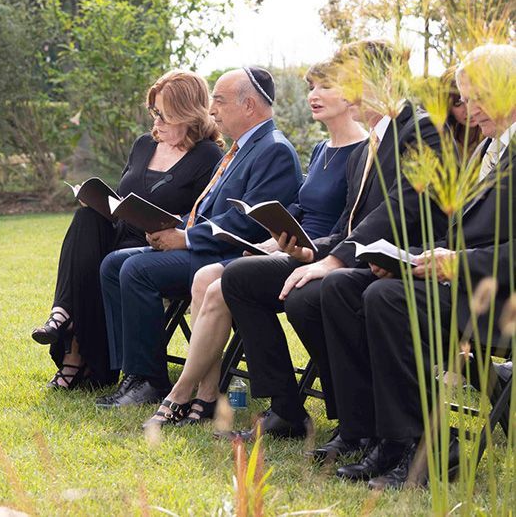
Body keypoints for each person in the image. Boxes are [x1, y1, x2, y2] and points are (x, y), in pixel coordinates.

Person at [220, 40, 446, 444]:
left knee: (312, 295)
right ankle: (287, 408)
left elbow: (402, 208)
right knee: (240, 277)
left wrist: (332, 261)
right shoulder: (366, 151)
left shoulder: (419, 129)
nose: (344, 92)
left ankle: (355, 420)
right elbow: (347, 224)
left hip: (399, 261)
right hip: (355, 257)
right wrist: (311, 250)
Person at [321, 43, 514, 489]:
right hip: (463, 280)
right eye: (465, 98)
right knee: (344, 287)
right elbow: (464, 232)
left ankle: (425, 447)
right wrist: (413, 259)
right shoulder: (488, 148)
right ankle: (378, 435)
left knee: (386, 298)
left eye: (476, 97)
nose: (468, 109)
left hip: (497, 296)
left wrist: (456, 261)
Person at [143, 59, 366, 428]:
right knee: (207, 280)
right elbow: (301, 207)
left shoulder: (363, 151)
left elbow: (349, 224)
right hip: (288, 247)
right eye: (310, 88)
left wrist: (302, 249)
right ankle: (211, 396)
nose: (313, 96)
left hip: (318, 254)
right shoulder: (321, 150)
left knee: (226, 284)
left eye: (324, 88)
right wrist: (271, 239)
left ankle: (181, 394)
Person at [97, 67, 303, 408]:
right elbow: (207, 211)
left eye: (219, 101)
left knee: (136, 269)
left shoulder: (274, 150)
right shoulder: (243, 148)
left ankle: (149, 380)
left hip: (229, 255)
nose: (212, 111)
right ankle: (131, 372)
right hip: (207, 246)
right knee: (112, 264)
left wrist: (186, 238)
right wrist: (171, 226)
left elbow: (249, 222)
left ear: (249, 106)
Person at [31, 70, 223, 389]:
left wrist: (173, 221)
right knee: (86, 220)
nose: (156, 122)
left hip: (157, 244)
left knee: (97, 262)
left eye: (164, 115)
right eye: (154, 112)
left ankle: (75, 355)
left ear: (188, 114)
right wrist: (97, 201)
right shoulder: (144, 145)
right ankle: (64, 316)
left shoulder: (207, 155)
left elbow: (201, 214)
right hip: (121, 231)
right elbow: (123, 197)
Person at [446, 72, 483, 159]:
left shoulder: (494, 137)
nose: (469, 110)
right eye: (458, 103)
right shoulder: (442, 138)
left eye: (474, 98)